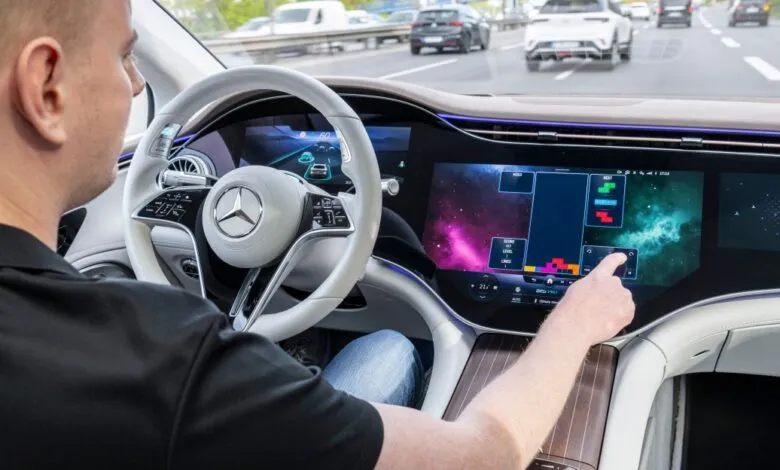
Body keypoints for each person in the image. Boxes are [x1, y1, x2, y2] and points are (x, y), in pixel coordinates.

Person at [0, 0, 635, 468]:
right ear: (46, 89)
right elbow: (486, 453)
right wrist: (574, 323)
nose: (137, 83)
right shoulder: (166, 363)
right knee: (391, 347)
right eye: (123, 56)